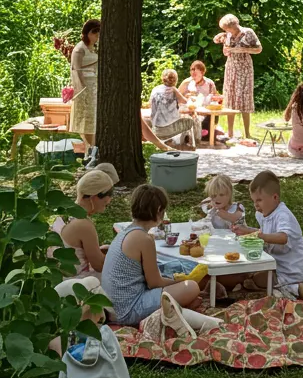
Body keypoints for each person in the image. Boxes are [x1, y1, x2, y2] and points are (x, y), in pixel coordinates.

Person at [101, 184, 201, 325]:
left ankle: (179, 306)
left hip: (114, 308)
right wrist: (184, 280)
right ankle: (179, 307)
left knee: (176, 278)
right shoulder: (143, 238)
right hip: (127, 310)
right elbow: (155, 283)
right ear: (159, 210)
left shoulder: (125, 232)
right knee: (191, 286)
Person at [247, 171, 303, 302]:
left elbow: (283, 237)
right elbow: (264, 232)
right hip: (274, 265)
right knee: (253, 277)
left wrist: (260, 236)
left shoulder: (283, 215)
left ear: (275, 198)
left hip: (289, 268)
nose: (256, 205)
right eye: (254, 201)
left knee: (296, 286)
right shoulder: (262, 214)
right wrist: (247, 231)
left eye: (259, 200)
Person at [50, 164, 119, 281]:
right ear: (94, 197)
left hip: (61, 278)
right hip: (75, 282)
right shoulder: (84, 224)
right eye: (109, 194)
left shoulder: (67, 213)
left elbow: (76, 250)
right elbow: (99, 265)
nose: (110, 199)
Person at [213, 13, 262, 139]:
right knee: (230, 97)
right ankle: (230, 133)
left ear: (234, 25)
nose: (226, 31)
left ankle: (247, 133)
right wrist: (225, 48)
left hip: (244, 68)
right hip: (231, 68)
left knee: (245, 97)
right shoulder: (228, 35)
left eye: (227, 28)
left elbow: (258, 49)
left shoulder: (248, 32)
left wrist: (243, 50)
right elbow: (223, 47)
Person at [148, 69, 200, 149]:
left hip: (156, 128)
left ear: (163, 78)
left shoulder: (155, 89)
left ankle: (170, 141)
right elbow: (184, 102)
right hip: (171, 129)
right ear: (175, 80)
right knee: (190, 121)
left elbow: (150, 104)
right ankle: (189, 144)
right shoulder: (174, 90)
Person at [70, 19, 100, 152]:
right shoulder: (79, 49)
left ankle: (92, 148)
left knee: (93, 119)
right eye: (96, 34)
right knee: (87, 120)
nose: (98, 37)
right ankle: (90, 149)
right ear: (89, 33)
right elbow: (76, 70)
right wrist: (82, 90)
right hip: (85, 88)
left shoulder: (93, 48)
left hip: (94, 86)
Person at [180, 60, 222, 142]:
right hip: (191, 112)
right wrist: (186, 96)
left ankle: (204, 132)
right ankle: (197, 134)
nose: (192, 73)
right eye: (191, 70)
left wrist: (216, 98)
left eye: (195, 72)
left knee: (214, 115)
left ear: (202, 72)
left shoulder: (209, 83)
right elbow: (176, 97)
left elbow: (215, 97)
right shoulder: (186, 83)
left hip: (206, 112)